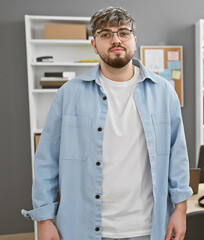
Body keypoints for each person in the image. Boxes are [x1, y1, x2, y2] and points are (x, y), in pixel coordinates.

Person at [21, 6, 192, 240]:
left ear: (134, 39)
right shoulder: (68, 95)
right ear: (94, 44)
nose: (116, 39)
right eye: (106, 34)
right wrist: (44, 219)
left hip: (148, 228)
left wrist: (180, 210)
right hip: (82, 228)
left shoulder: (164, 93)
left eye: (123, 32)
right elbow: (46, 160)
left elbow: (178, 157)